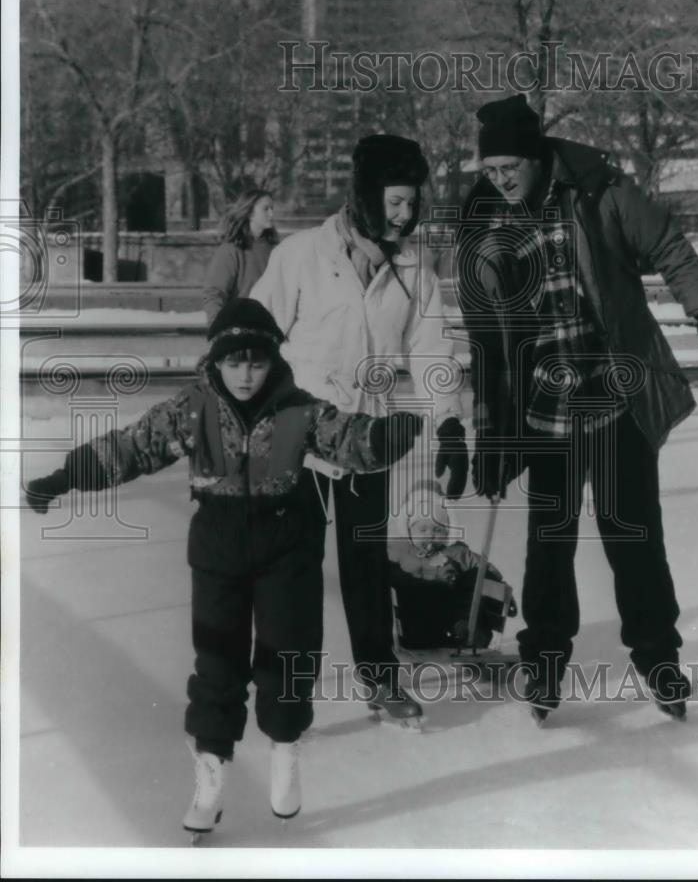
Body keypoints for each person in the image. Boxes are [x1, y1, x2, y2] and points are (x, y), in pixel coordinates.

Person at [24, 298, 423, 838]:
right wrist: (67, 475)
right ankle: (210, 779)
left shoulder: (297, 408)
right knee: (217, 667)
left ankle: (285, 755)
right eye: (234, 362)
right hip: (217, 550)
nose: (245, 374)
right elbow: (132, 447)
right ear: (216, 361)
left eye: (256, 363)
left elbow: (345, 438)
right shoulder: (193, 409)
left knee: (287, 657)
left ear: (273, 362)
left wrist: (387, 437)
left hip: (288, 548)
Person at [456, 94, 698, 723]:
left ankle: (657, 657)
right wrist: (492, 433)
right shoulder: (483, 221)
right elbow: (488, 340)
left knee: (633, 533)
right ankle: (545, 659)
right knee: (549, 541)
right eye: (490, 168)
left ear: (536, 158)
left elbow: (669, 244)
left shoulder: (598, 191)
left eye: (510, 165)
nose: (499, 178)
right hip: (545, 408)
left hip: (618, 397)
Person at [251, 133, 469, 725]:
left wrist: (449, 423)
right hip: (297, 436)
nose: (405, 215)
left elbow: (431, 351)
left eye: (412, 202)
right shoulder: (300, 256)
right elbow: (252, 336)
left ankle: (380, 679)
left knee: (367, 565)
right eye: (394, 203)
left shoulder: (413, 268)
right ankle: (286, 690)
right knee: (292, 573)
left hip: (368, 440)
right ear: (366, 197)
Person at [388, 480, 516, 651]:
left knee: (476, 578)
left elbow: (486, 569)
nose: (431, 536)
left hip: (455, 613)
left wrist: (500, 586)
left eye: (438, 530)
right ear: (409, 531)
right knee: (408, 583)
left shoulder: (457, 553)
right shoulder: (403, 554)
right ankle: (456, 629)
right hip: (421, 621)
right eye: (423, 530)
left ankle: (469, 629)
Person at [203, 189, 279, 326]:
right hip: (239, 330)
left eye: (272, 209)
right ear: (250, 212)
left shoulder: (277, 250)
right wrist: (218, 328)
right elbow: (214, 293)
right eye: (265, 209)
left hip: (270, 331)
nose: (271, 214)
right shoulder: (231, 250)